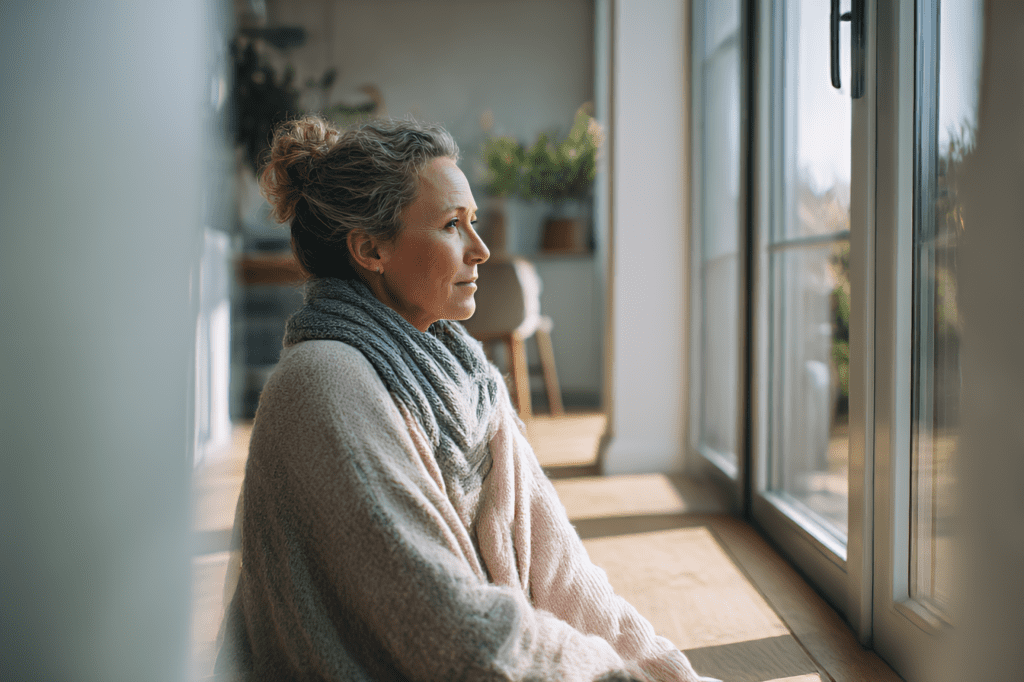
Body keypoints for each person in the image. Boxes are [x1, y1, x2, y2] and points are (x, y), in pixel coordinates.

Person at [215, 115, 718, 682]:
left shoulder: (469, 375)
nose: (480, 249)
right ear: (370, 248)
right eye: (452, 225)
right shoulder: (321, 384)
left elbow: (566, 577)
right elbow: (456, 636)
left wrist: (673, 675)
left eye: (473, 222)